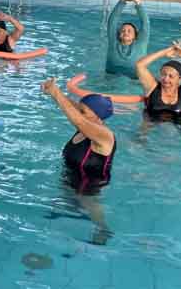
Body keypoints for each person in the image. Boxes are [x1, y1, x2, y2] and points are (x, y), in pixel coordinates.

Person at [41, 78, 116, 245]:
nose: (78, 112)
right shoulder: (86, 125)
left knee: (87, 203)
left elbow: (78, 119)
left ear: (98, 117)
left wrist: (57, 93)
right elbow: (77, 111)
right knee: (69, 203)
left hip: (89, 186)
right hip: (71, 177)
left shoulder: (104, 136)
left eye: (83, 111)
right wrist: (54, 94)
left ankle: (103, 229)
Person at [136, 42, 181, 124]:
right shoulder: (152, 87)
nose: (165, 79)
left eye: (171, 76)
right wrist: (165, 52)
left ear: (179, 79)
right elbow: (140, 65)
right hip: (150, 124)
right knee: (142, 136)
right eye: (163, 74)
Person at [106, 0, 149, 78]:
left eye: (129, 31)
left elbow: (145, 24)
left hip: (134, 80)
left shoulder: (140, 44)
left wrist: (138, 4)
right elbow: (112, 21)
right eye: (123, 30)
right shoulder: (113, 43)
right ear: (119, 35)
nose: (125, 32)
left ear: (135, 36)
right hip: (111, 78)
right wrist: (121, 2)